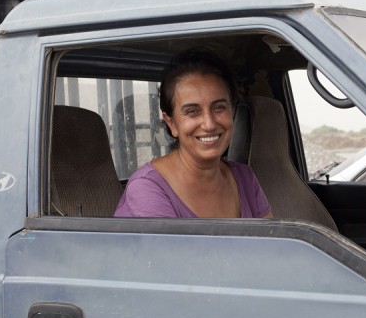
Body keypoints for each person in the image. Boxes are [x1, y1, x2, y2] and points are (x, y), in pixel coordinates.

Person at [114, 50, 272, 219]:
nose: (209, 124)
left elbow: (276, 244)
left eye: (219, 107)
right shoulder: (147, 188)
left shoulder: (245, 178)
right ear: (171, 123)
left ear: (232, 111)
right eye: (192, 111)